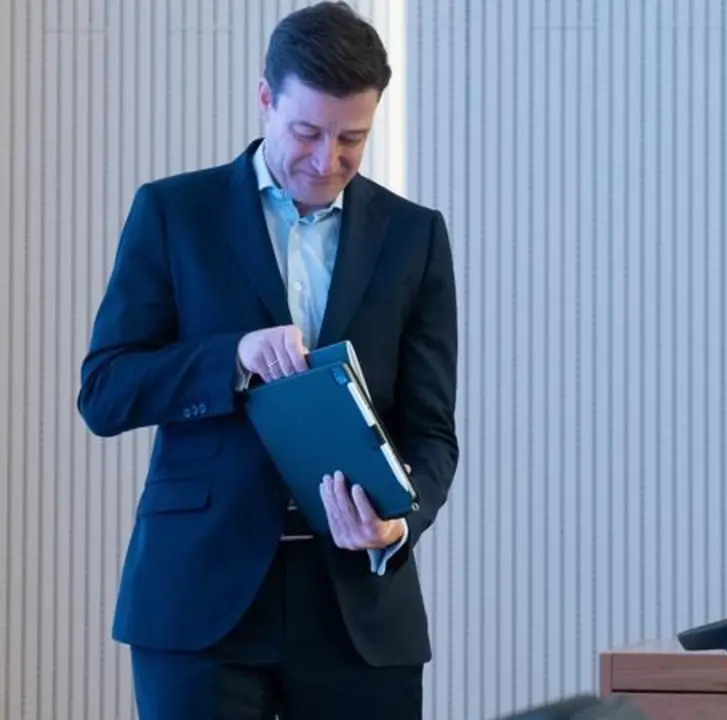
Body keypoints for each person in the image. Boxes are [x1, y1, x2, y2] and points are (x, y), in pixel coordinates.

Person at [76, 3, 459, 718]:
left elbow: (432, 433)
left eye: (353, 138)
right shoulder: (174, 213)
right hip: (199, 599)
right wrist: (233, 356)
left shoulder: (416, 237)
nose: (327, 160)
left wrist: (398, 525)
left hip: (359, 610)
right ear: (264, 98)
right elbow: (105, 391)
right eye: (307, 132)